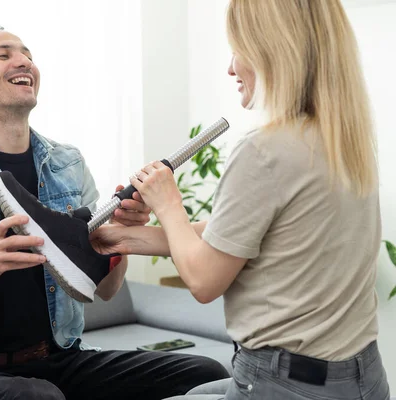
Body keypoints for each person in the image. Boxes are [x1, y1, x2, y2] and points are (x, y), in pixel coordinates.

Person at [0, 25, 229, 400]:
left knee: (205, 374)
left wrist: (120, 239)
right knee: (39, 397)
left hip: (63, 360)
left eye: (27, 54)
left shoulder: (67, 163)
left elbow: (107, 290)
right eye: (4, 55)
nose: (23, 61)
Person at [90, 1, 391, 399]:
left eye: (238, 49)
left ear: (273, 49)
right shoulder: (344, 140)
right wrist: (124, 239)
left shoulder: (264, 150)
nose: (231, 67)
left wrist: (168, 201)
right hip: (362, 379)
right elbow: (231, 236)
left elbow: (203, 281)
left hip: (285, 384)